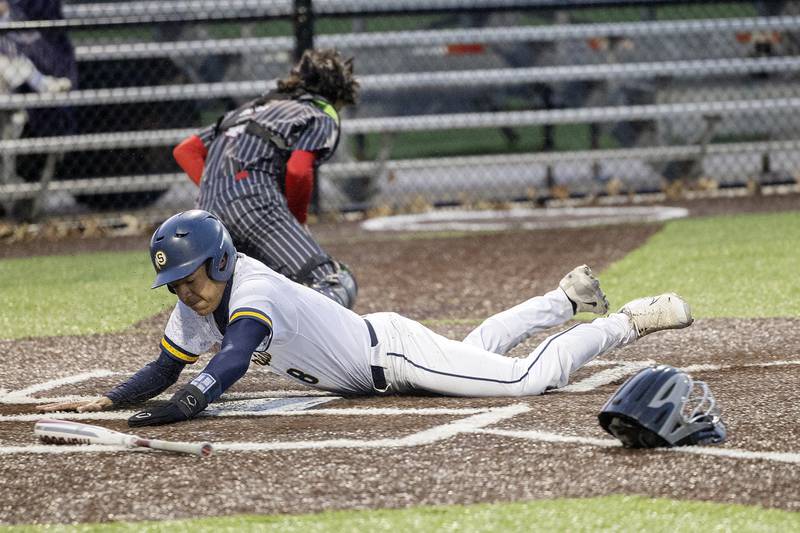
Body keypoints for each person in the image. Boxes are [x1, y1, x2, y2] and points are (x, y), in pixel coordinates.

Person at [39, 210, 695, 426]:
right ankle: (562, 300)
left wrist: (188, 404)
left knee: (524, 380)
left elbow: (235, 356)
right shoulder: (197, 304)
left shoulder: (253, 286)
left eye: (191, 277)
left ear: (220, 259)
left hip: (393, 355)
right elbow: (162, 366)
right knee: (476, 354)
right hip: (385, 355)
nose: (186, 293)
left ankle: (628, 320)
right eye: (176, 285)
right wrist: (104, 400)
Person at [172, 48, 359, 309]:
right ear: (338, 96)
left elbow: (186, 150)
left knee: (242, 291)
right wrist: (298, 220)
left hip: (208, 210)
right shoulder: (319, 115)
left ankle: (239, 341)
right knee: (331, 281)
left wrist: (220, 188)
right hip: (256, 203)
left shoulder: (250, 109)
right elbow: (297, 170)